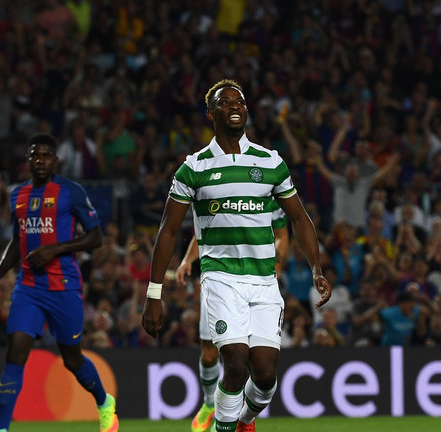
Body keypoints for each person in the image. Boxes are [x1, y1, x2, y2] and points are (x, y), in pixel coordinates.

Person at [142, 80, 331, 432]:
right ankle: (221, 427)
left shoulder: (270, 162)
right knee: (235, 362)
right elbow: (168, 231)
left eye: (240, 101)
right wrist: (154, 293)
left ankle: (245, 421)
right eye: (224, 101)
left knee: (265, 377)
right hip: (221, 277)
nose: (234, 105)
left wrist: (316, 267)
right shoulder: (193, 168)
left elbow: (299, 218)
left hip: (263, 281)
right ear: (211, 113)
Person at [0, 133, 119, 432]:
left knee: (72, 359)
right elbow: (17, 240)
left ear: (56, 160)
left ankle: (103, 401)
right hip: (28, 286)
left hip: (63, 285)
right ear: (28, 160)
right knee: (16, 350)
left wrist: (54, 249)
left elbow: (95, 237)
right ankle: (1, 429)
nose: (40, 160)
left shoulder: (71, 191)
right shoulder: (17, 194)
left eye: (46, 155)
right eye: (34, 154)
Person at [177, 201, 288, 432]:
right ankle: (209, 405)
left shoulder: (265, 192)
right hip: (219, 281)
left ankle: (243, 417)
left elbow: (282, 233)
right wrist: (188, 260)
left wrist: (277, 263)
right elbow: (207, 235)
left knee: (251, 359)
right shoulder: (215, 188)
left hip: (256, 282)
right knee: (209, 355)